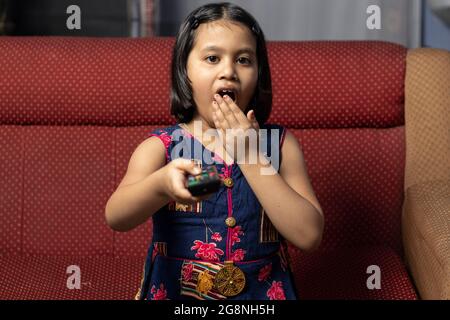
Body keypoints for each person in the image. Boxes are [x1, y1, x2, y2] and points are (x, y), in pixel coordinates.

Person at [105, 2, 324, 300]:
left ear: (259, 72)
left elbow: (309, 235)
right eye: (212, 58)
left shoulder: (280, 144)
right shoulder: (160, 148)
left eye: (244, 60)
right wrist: (161, 184)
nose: (229, 71)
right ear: (185, 69)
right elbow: (117, 216)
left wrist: (249, 156)